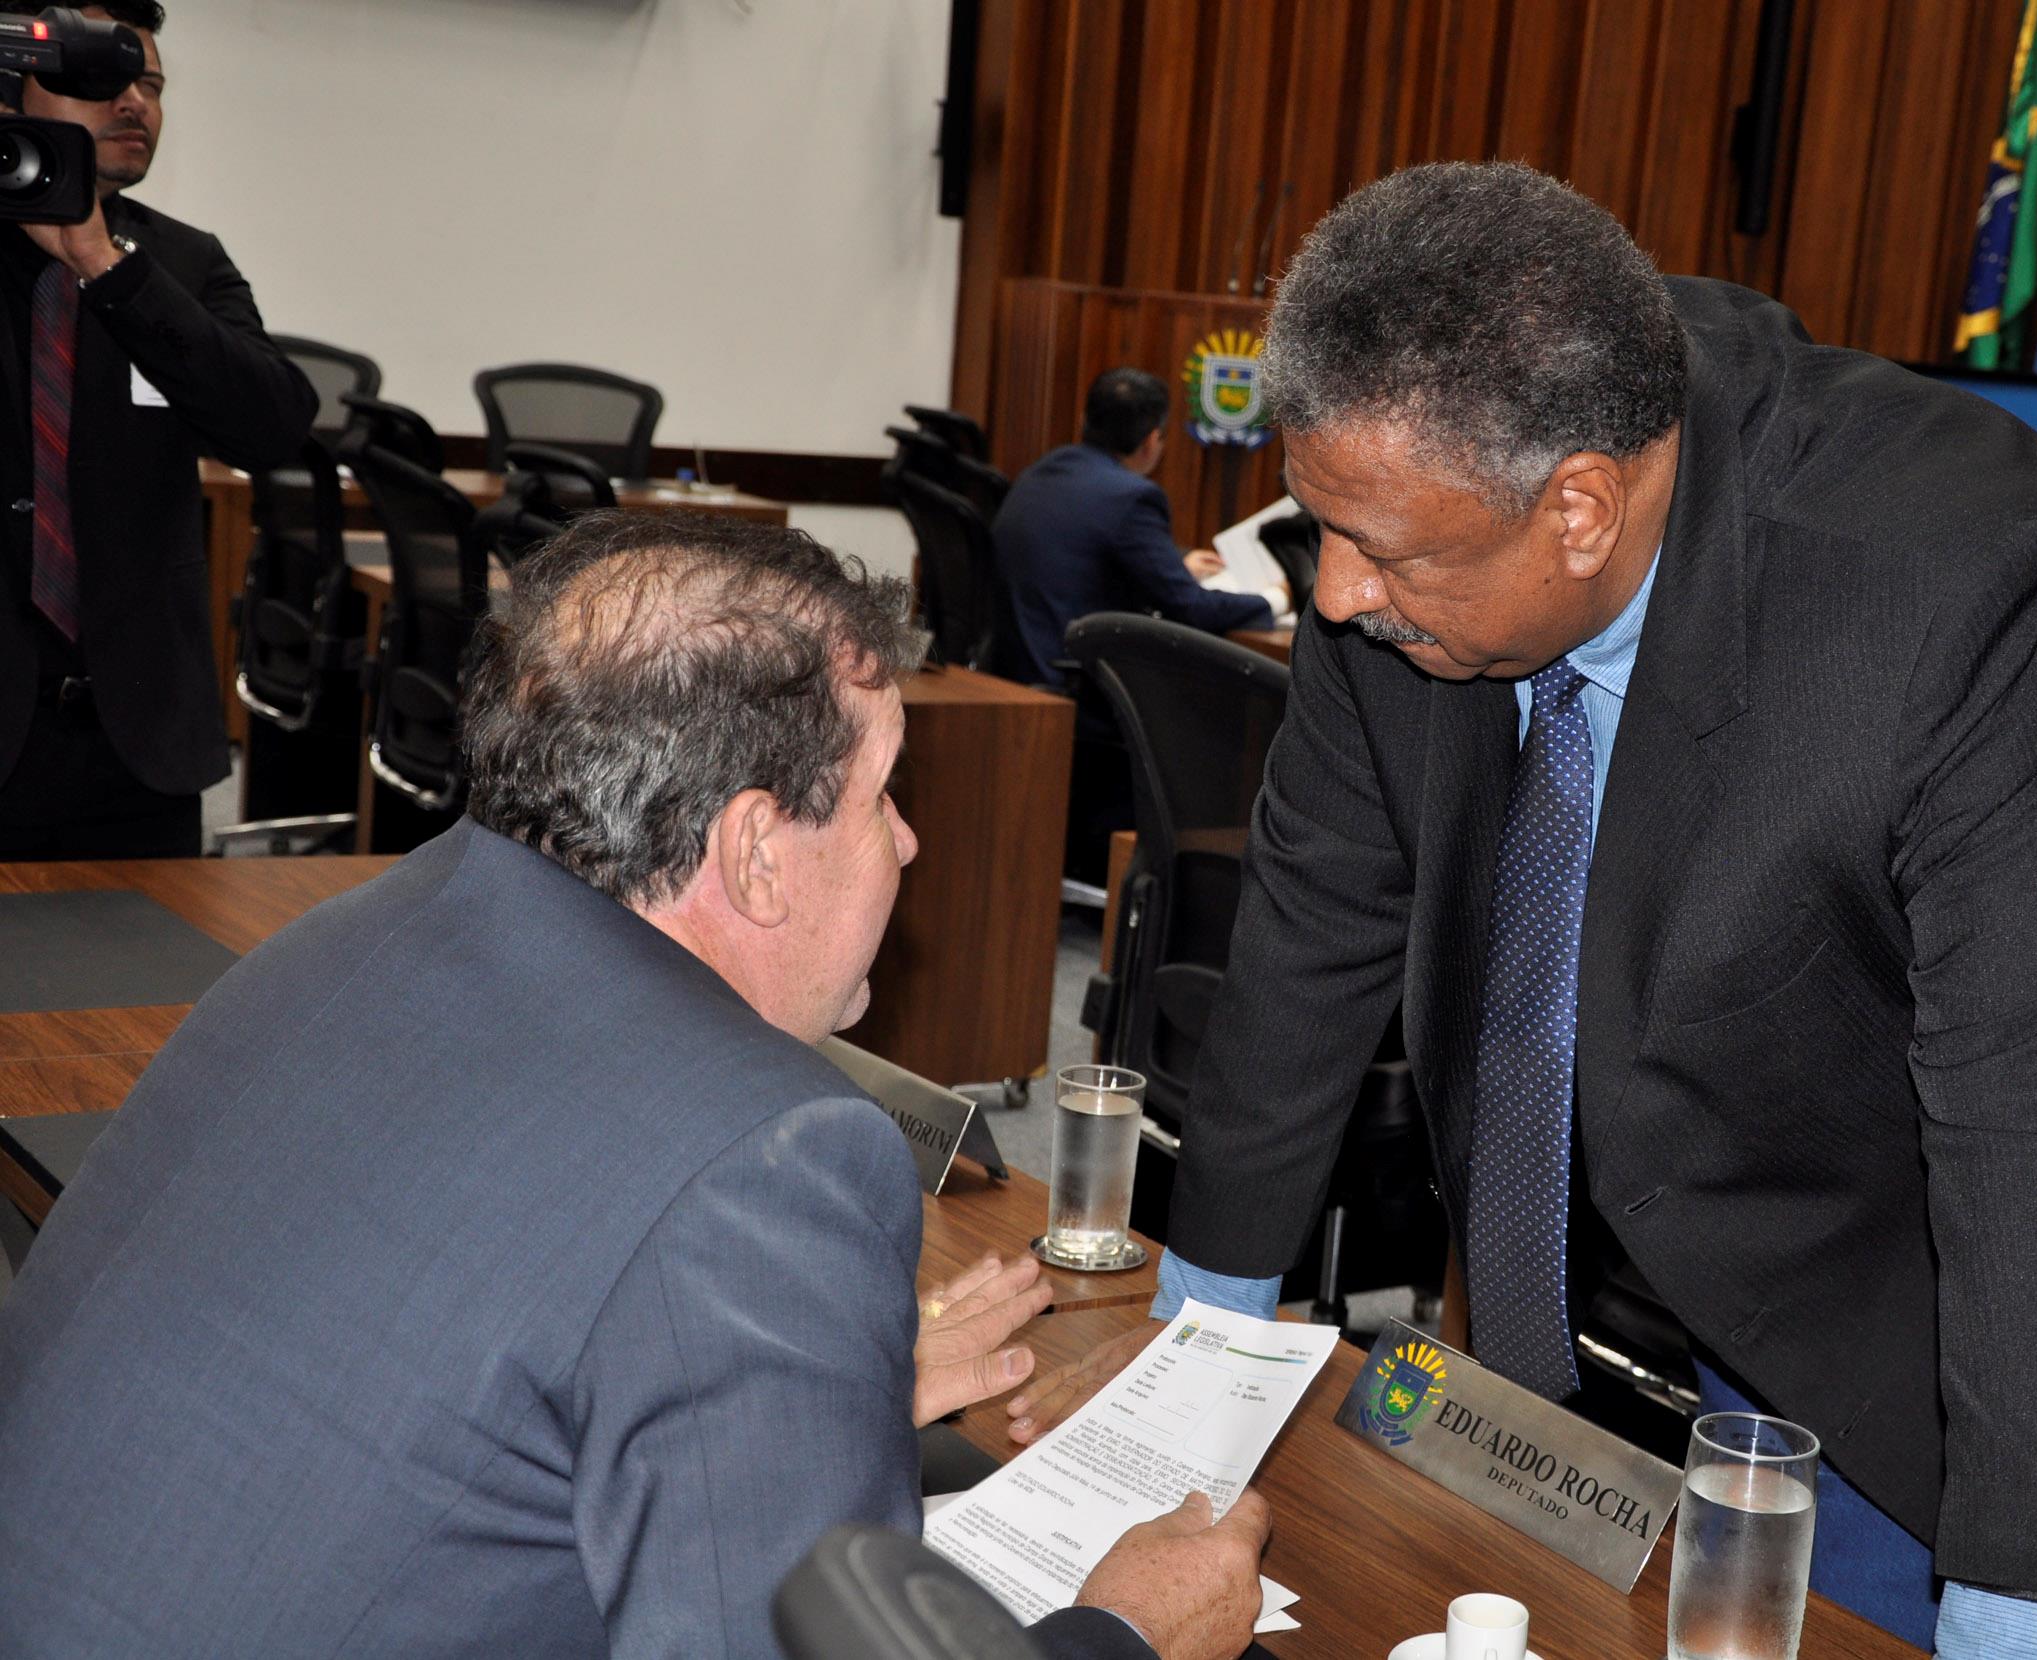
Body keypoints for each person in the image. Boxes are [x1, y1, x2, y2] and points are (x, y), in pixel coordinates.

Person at [1003, 163, 2037, 1660]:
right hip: (1748, 1130)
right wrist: (1196, 1364)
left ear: (1580, 511)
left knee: (1887, 1591)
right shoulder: (1422, 502)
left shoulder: (1938, 582)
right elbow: (1311, 923)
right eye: (1324, 533)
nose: (1335, 596)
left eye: (1383, 554)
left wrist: (2024, 1621)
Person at [0, 512, 1269, 1660]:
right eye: (885, 793)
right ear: (755, 851)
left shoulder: (349, 939)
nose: (909, 840)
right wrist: (1126, 1633)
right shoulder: (771, 1161)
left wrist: (812, 1399)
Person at [0, 1, 316, 858]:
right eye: (99, 79)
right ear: (9, 92)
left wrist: (104, 267)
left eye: (151, 84)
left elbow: (274, 427)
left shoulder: (181, 263)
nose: (133, 101)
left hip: (138, 745)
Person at [993, 366, 1283, 692]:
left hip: (1012, 674)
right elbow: (1192, 609)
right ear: (1152, 440)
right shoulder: (1132, 497)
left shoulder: (1040, 471)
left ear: (1084, 420)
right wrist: (1275, 598)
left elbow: (1080, 551)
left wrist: (1174, 563)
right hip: (1077, 690)